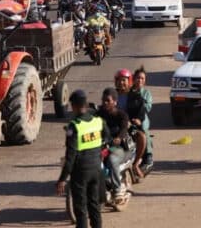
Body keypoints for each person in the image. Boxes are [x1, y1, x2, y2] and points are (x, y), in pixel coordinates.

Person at [56, 90, 106, 228]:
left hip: (80, 173)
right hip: (96, 169)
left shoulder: (74, 126)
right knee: (94, 205)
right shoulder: (98, 121)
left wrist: (62, 179)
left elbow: (70, 156)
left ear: (75, 106)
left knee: (81, 210)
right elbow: (107, 138)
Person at [97, 88, 129, 199]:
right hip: (102, 146)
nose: (104, 103)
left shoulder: (121, 115)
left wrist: (119, 138)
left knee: (111, 159)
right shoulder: (99, 114)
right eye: (103, 100)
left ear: (115, 102)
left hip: (117, 148)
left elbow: (124, 129)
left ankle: (117, 188)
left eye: (107, 100)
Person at [115, 69, 147, 177]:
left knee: (142, 137)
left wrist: (138, 119)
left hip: (130, 126)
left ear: (129, 81)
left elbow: (141, 110)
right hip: (114, 125)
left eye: (124, 80)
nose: (121, 83)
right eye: (119, 80)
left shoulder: (135, 96)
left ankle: (136, 164)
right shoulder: (112, 95)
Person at [131, 67, 154, 171]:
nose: (139, 80)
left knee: (144, 132)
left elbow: (147, 108)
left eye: (142, 78)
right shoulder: (129, 92)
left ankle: (148, 157)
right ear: (133, 79)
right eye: (138, 78)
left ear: (144, 81)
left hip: (141, 120)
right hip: (129, 119)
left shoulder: (146, 94)